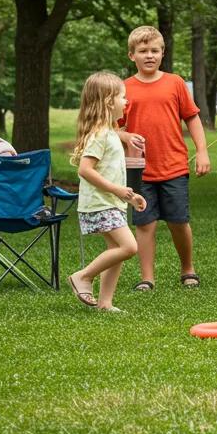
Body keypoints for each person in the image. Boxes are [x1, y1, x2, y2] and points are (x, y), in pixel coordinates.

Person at [121, 26, 210, 292]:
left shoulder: (175, 83)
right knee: (144, 223)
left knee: (178, 221)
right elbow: (111, 127)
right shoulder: (124, 88)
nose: (149, 55)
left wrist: (202, 150)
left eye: (154, 50)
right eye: (143, 51)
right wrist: (124, 137)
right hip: (138, 170)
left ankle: (188, 269)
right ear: (131, 55)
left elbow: (192, 118)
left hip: (173, 166)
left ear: (163, 53)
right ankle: (147, 278)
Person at [67, 72, 147, 312]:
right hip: (100, 203)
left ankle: (105, 303)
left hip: (110, 202)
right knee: (129, 247)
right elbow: (85, 170)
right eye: (123, 97)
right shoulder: (100, 135)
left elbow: (110, 172)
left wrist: (130, 197)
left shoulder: (110, 133)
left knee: (117, 251)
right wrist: (117, 190)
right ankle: (83, 276)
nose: (127, 102)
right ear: (108, 101)